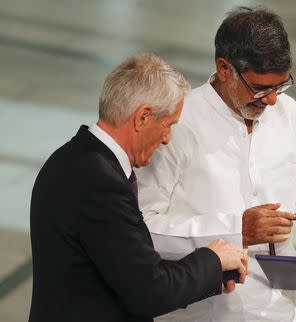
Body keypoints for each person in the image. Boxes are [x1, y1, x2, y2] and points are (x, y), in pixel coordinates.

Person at [136, 7, 296, 322]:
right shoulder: (178, 123)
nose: (271, 100)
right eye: (259, 88)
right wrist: (235, 230)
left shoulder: (291, 116)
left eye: (280, 87)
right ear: (224, 68)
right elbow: (143, 229)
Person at [29, 53, 248, 322]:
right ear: (143, 117)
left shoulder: (69, 158)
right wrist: (213, 259)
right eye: (168, 125)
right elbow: (148, 292)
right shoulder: (101, 183)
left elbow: (122, 264)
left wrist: (212, 275)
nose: (167, 139)